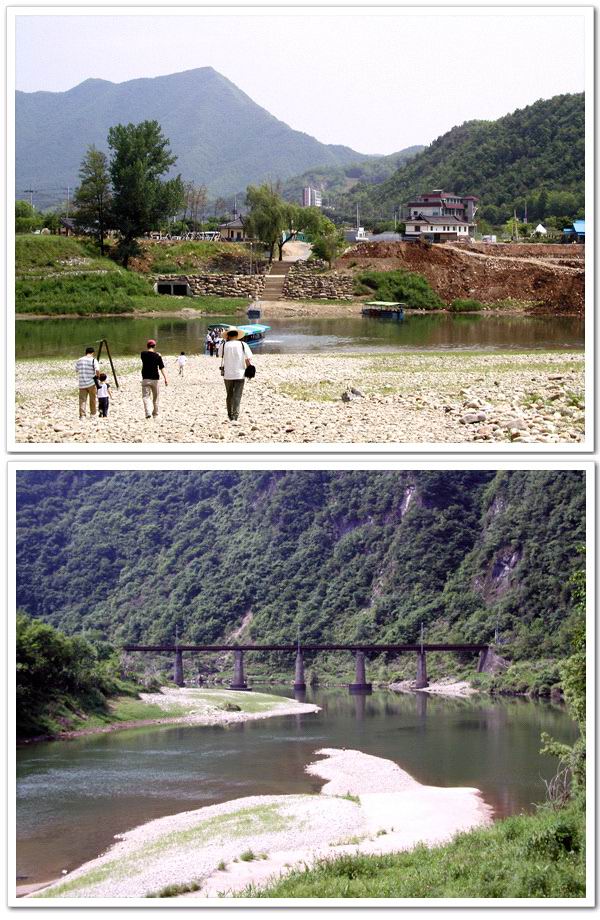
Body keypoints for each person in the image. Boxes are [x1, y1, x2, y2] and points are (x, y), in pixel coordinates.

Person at [218, 328, 253, 422]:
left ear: (228, 336)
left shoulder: (224, 345)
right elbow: (248, 359)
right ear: (237, 336)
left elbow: (220, 355)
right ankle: (235, 415)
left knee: (229, 395)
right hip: (240, 374)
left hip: (228, 374)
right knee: (237, 395)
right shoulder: (243, 344)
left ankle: (230, 415)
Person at [140, 339, 168, 419]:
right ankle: (155, 414)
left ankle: (148, 412)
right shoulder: (158, 356)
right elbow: (162, 368)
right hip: (155, 379)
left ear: (147, 346)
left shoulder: (143, 354)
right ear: (154, 346)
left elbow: (147, 354)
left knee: (145, 397)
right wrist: (166, 378)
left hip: (145, 379)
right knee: (156, 398)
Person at [75, 346, 99, 418]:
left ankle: (82, 415)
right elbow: (97, 370)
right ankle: (93, 414)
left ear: (85, 353)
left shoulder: (79, 360)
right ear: (93, 353)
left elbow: (76, 370)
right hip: (91, 382)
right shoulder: (93, 360)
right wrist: (98, 377)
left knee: (82, 400)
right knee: (92, 399)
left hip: (82, 383)